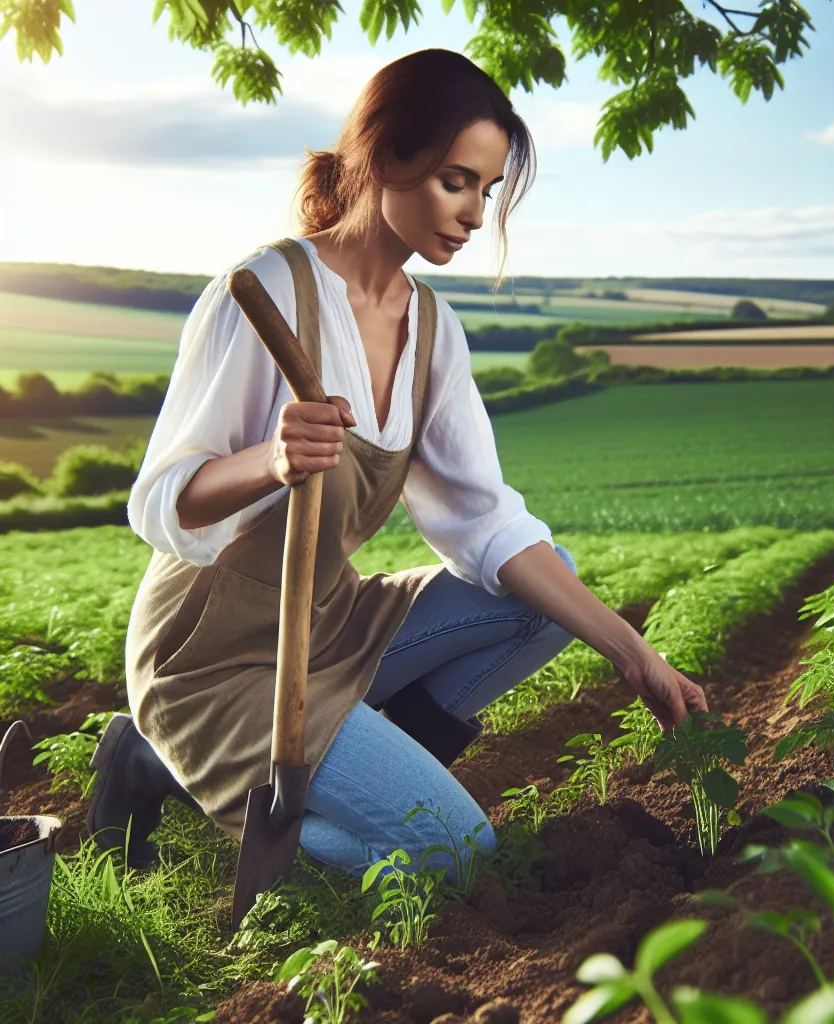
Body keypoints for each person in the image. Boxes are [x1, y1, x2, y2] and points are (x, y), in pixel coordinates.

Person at [87, 47, 708, 882]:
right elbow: (160, 501)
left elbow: (487, 524)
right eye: (458, 181)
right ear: (386, 158)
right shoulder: (265, 292)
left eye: (487, 191)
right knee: (453, 853)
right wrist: (268, 461)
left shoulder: (431, 330)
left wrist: (635, 654)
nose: (475, 214)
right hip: (213, 654)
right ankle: (187, 768)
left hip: (330, 625)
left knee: (544, 586)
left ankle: (282, 765)